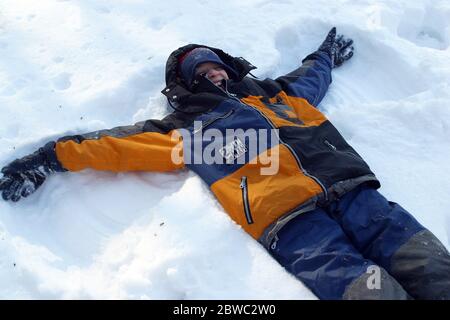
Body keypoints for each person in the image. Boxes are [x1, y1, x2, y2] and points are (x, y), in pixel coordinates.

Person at [1, 27, 449, 300]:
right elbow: (113, 145)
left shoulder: (276, 94)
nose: (213, 74)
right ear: (187, 84)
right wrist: (46, 159)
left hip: (352, 190)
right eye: (201, 72)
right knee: (357, 286)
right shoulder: (185, 127)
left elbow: (311, 78)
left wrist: (324, 56)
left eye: (216, 67)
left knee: (426, 263)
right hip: (288, 220)